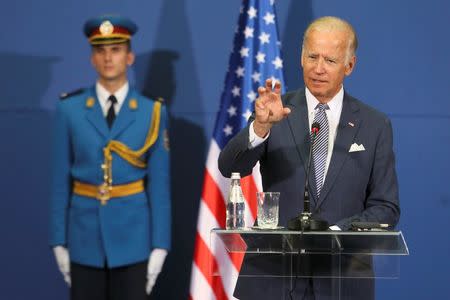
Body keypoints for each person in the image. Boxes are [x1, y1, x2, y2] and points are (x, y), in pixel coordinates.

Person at [218, 16, 400, 299]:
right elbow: (229, 167)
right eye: (312, 56)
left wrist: (336, 234)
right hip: (273, 277)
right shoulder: (276, 111)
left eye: (330, 60)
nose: (318, 68)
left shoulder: (374, 125)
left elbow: (386, 207)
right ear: (301, 58)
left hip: (342, 279)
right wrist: (261, 127)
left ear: (349, 66)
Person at [49, 15, 171, 300]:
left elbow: (160, 186)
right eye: (100, 51)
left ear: (129, 57)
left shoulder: (151, 111)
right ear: (92, 58)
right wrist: (58, 242)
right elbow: (59, 180)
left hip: (134, 240)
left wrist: (160, 246)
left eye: (116, 50)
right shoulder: (70, 109)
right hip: (83, 239)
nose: (108, 58)